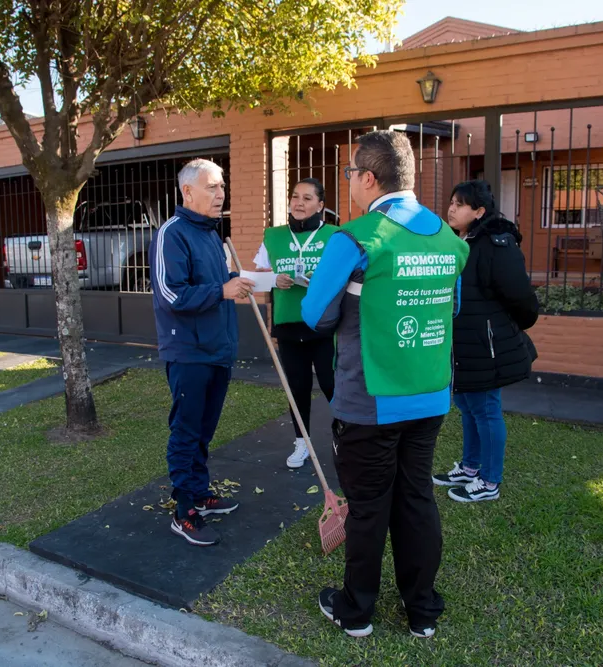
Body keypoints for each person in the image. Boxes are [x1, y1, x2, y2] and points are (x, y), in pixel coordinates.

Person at [301, 130, 469, 639]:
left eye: (351, 174)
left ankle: (356, 612)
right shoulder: (448, 237)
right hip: (431, 394)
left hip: (369, 402)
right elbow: (452, 307)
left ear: (369, 178)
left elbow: (314, 315)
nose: (349, 182)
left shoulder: (352, 238)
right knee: (417, 498)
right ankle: (422, 612)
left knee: (370, 506)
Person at [150, 158, 256, 547]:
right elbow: (170, 293)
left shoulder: (212, 235)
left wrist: (240, 281)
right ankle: (183, 509)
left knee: (204, 429)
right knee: (186, 429)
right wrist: (221, 291)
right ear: (188, 191)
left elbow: (220, 282)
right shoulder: (171, 234)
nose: (221, 194)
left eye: (222, 186)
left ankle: (199, 493)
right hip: (188, 350)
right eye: (212, 187)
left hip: (218, 348)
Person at [432, 179, 539, 503]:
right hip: (461, 344)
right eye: (451, 201)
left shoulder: (496, 244)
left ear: (478, 211)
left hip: (485, 345)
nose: (452, 208)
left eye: (460, 204)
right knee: (466, 404)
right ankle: (469, 466)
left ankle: (489, 481)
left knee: (486, 408)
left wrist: (500, 329)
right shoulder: (459, 241)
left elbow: (521, 298)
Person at [253, 177, 337, 468]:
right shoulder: (273, 236)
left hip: (325, 325)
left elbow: (350, 277)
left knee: (331, 383)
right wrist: (273, 279)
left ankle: (343, 437)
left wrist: (323, 282)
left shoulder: (336, 236)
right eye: (295, 197)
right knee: (297, 387)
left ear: (320, 205)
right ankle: (302, 443)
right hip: (288, 324)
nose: (299, 203)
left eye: (307, 198)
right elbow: (254, 279)